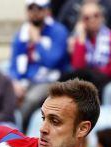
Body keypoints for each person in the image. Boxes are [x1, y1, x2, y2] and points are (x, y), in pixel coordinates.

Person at [9, 0, 69, 130]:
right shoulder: (21, 34)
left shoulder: (59, 31)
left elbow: (52, 61)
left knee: (30, 99)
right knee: (5, 93)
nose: (35, 13)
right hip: (26, 80)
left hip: (51, 80)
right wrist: (15, 82)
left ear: (47, 10)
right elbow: (13, 64)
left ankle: (17, 132)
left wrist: (37, 41)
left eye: (39, 9)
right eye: (31, 9)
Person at [65, 0, 111, 94]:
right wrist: (81, 40)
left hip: (106, 81)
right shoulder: (80, 40)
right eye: (86, 18)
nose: (92, 20)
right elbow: (78, 68)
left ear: (102, 17)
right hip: (85, 85)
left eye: (96, 15)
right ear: (81, 21)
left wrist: (92, 73)